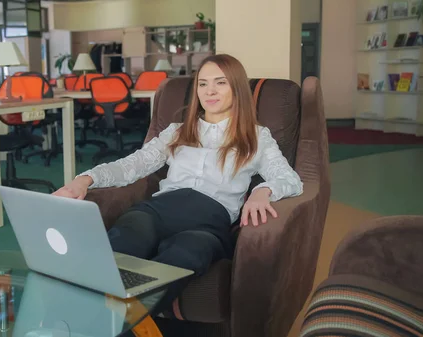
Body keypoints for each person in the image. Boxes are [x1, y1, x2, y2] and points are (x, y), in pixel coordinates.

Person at [53, 54, 303, 325]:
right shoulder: (177, 131)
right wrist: (86, 179)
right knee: (127, 237)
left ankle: (107, 322)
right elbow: (132, 165)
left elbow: (290, 179)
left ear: (237, 88)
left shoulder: (256, 137)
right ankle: (87, 315)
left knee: (186, 254)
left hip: (208, 222)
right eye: (203, 83)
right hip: (158, 210)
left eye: (220, 83)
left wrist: (262, 191)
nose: (210, 91)